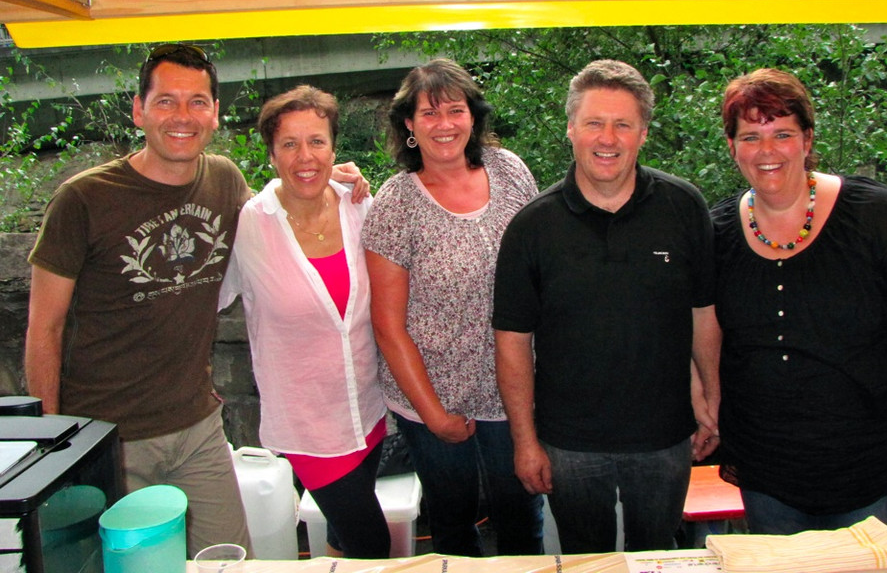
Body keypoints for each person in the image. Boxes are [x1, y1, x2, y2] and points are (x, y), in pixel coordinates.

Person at [23, 44, 367, 558]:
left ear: (215, 113)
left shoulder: (224, 181)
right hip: (107, 438)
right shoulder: (83, 199)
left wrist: (330, 177)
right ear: (138, 110)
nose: (182, 116)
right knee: (126, 565)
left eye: (197, 102)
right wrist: (55, 447)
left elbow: (277, 215)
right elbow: (44, 329)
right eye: (166, 101)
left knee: (230, 559)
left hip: (197, 426)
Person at [711, 67, 887, 535]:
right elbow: (701, 332)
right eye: (750, 137)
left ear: (807, 139)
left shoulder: (875, 215)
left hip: (876, 469)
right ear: (732, 147)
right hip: (769, 473)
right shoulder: (718, 232)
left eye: (782, 134)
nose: (767, 151)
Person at [492, 59, 721, 554]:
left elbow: (704, 314)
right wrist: (525, 441)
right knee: (585, 559)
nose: (608, 138)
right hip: (569, 442)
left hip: (665, 436)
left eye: (623, 124)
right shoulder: (532, 227)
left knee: (657, 554)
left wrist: (711, 396)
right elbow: (512, 342)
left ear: (644, 133)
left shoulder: (684, 207)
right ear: (570, 129)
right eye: (594, 122)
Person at [362, 58, 544, 556]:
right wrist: (434, 415)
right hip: (432, 396)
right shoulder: (396, 203)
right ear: (409, 124)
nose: (444, 124)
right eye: (429, 113)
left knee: (522, 513)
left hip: (512, 388)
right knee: (453, 523)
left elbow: (542, 269)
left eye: (455, 110)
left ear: (473, 116)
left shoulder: (509, 171)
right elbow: (388, 326)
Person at [219, 85, 389, 558]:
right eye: (289, 144)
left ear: (334, 148)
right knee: (372, 545)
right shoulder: (250, 225)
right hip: (308, 426)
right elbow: (199, 301)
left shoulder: (359, 205)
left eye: (316, 141)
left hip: (367, 408)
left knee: (341, 538)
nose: (305, 156)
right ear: (271, 154)